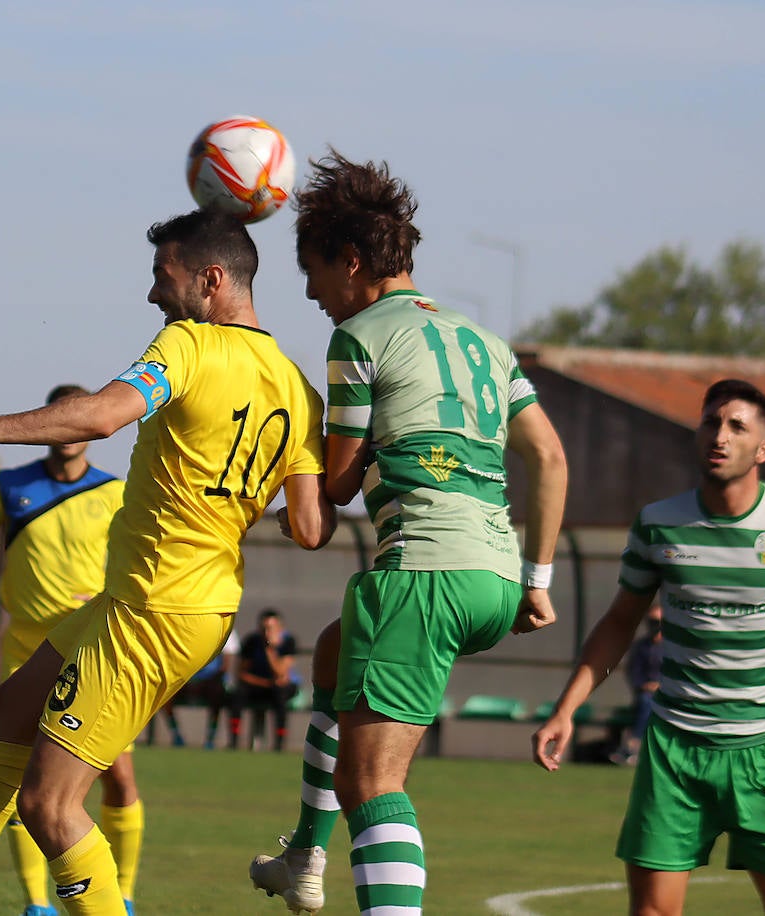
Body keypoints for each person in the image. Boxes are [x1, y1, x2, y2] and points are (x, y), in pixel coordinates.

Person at [0, 207, 337, 916]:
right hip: (179, 603)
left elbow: (103, 416)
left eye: (164, 279)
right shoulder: (297, 386)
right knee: (10, 707)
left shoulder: (190, 346)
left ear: (212, 279)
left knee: (48, 803)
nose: (154, 295)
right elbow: (313, 526)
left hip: (154, 609)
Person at [248, 151, 568, 916]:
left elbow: (329, 502)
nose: (313, 294)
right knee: (335, 651)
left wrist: (290, 453)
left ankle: (330, 866)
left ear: (352, 262)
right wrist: (537, 580)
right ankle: (304, 855)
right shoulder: (487, 343)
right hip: (493, 579)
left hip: (425, 571)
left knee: (372, 784)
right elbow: (550, 457)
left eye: (315, 273)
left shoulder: (358, 339)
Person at [533, 378, 765, 916]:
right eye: (711, 421)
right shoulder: (658, 523)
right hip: (675, 751)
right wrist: (565, 709)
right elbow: (620, 621)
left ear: (764, 449)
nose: (720, 435)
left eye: (738, 426)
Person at [0, 383, 133, 916]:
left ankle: (127, 894)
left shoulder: (115, 491)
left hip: (93, 644)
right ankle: (35, 903)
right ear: (50, 422)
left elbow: (140, 552)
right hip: (27, 645)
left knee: (117, 775)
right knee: (23, 774)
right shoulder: (10, 486)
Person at [149, 628, 239, 749]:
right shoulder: (184, 623)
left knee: (218, 694)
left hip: (210, 681)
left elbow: (225, 663)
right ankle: (176, 734)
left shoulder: (224, 624)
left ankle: (210, 738)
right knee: (164, 692)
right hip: (185, 678)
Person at [227, 608, 299, 751]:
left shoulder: (288, 642)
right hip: (258, 684)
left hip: (279, 687)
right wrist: (264, 682)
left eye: (270, 628)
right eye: (263, 628)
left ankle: (279, 742)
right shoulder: (251, 641)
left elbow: (280, 673)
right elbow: (242, 673)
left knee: (280, 694)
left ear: (279, 628)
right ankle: (234, 741)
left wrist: (270, 649)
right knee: (237, 694)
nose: (266, 632)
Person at [610, 603, 663, 765]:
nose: (655, 626)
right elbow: (634, 672)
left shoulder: (674, 647)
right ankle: (635, 745)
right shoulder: (641, 646)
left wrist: (660, 684)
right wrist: (644, 685)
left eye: (658, 622)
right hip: (645, 694)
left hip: (669, 693)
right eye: (652, 621)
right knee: (646, 702)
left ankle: (632, 745)